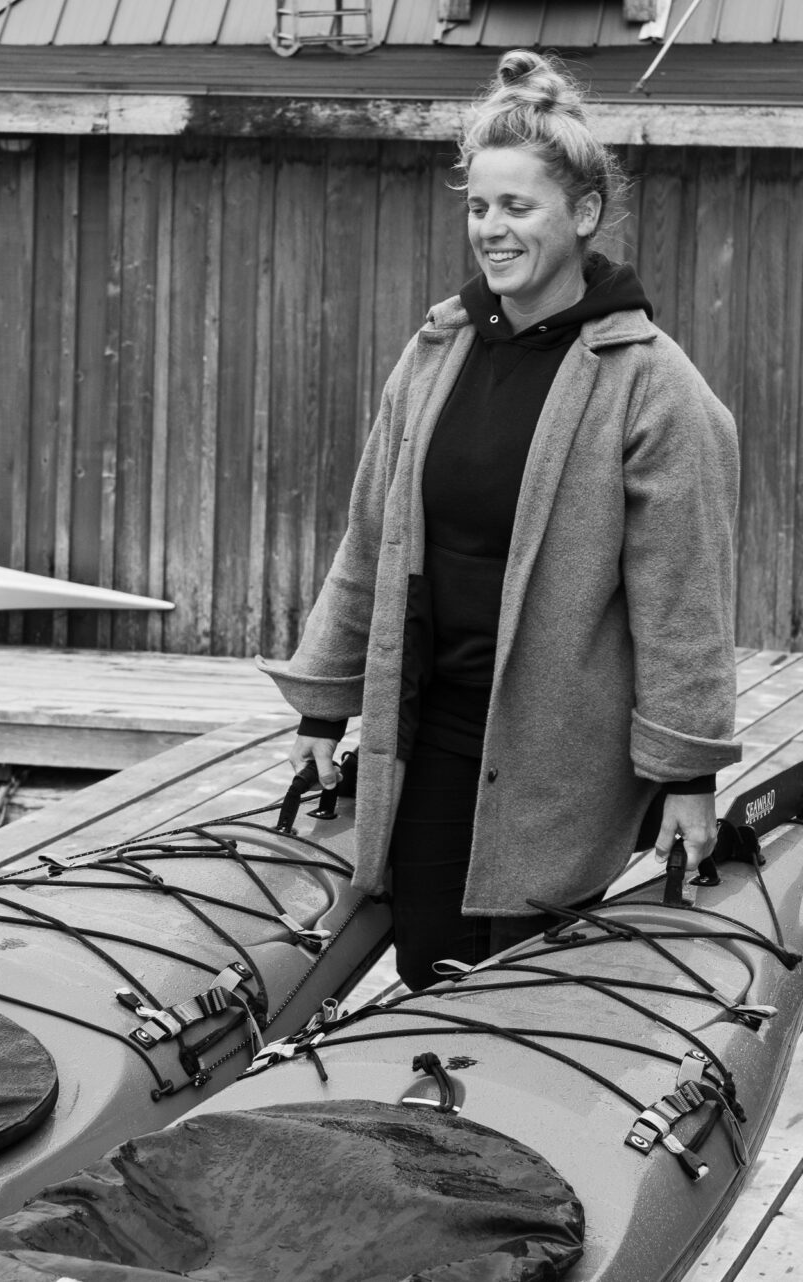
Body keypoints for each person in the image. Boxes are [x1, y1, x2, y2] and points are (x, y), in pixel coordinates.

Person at [257, 48, 742, 990]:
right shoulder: (435, 352)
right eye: (479, 206)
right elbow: (371, 538)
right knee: (429, 968)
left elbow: (683, 599)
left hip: (562, 752)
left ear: (584, 215)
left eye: (517, 206)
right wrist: (325, 700)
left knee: (517, 994)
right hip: (430, 730)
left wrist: (688, 773)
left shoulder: (654, 386)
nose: (491, 228)